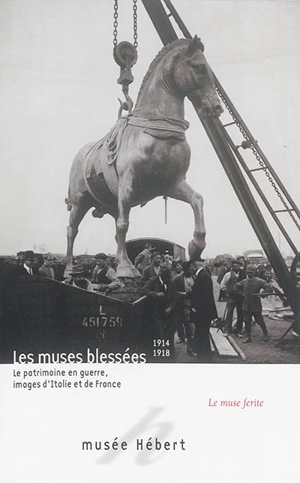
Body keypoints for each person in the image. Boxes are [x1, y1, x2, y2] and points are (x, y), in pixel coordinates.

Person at [141, 264, 179, 357]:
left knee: (169, 336)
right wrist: (156, 294)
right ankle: (158, 355)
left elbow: (175, 297)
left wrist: (170, 308)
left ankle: (169, 356)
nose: (168, 279)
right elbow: (144, 290)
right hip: (156, 312)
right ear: (160, 275)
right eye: (166, 277)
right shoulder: (153, 281)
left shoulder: (171, 282)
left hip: (169, 313)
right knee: (158, 334)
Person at [233, 265, 272, 343]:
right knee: (247, 321)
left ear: (254, 273)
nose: (249, 274)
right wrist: (241, 293)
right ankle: (248, 337)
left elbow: (269, 288)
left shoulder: (259, 281)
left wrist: (262, 294)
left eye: (251, 272)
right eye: (248, 272)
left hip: (255, 305)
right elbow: (235, 286)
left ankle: (266, 334)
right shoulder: (244, 281)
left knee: (259, 320)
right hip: (246, 305)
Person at [190, 259, 218, 362]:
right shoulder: (203, 275)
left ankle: (204, 358)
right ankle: (204, 357)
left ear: (194, 266)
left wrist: (195, 307)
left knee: (202, 335)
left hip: (202, 313)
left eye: (191, 267)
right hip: (204, 312)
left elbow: (204, 296)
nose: (190, 269)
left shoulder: (203, 277)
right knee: (201, 334)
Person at [174, 261, 196, 356]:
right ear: (185, 269)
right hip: (180, 306)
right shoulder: (177, 279)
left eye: (192, 269)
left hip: (192, 307)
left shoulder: (195, 278)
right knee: (180, 324)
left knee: (191, 329)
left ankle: (190, 349)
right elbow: (173, 293)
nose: (191, 270)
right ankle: (181, 338)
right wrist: (181, 294)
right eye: (189, 269)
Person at [220, 260, 246, 336]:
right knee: (229, 313)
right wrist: (226, 293)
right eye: (235, 266)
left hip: (241, 297)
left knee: (240, 314)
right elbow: (222, 284)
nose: (236, 268)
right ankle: (227, 330)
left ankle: (238, 330)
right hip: (231, 297)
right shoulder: (228, 274)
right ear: (232, 267)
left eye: (238, 266)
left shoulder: (243, 274)